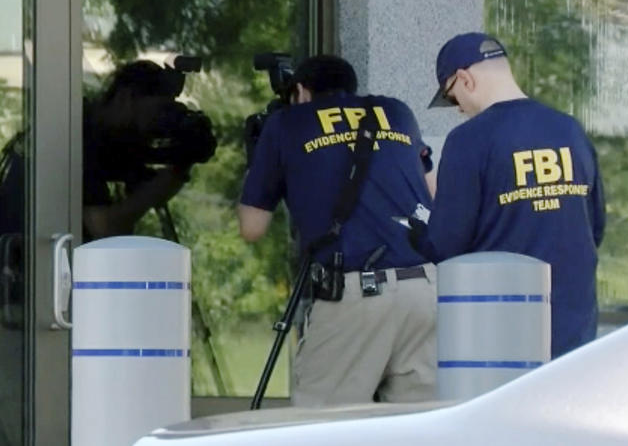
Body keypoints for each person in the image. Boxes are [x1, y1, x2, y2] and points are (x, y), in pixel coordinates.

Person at [238, 55, 437, 406]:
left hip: (357, 294)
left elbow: (252, 227)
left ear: (300, 91)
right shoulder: (396, 112)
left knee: (322, 427)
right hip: (424, 290)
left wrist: (259, 163)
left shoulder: (287, 124)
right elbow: (431, 192)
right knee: (418, 428)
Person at [411, 32, 606, 358]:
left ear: (464, 79)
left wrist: (415, 231)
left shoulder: (468, 140)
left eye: (452, 98)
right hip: (575, 327)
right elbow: (594, 226)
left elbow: (447, 244)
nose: (458, 110)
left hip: (503, 330)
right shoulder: (570, 130)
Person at [83, 59, 215, 241]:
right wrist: (173, 176)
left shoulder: (115, 144)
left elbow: (146, 195)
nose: (157, 126)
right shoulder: (80, 138)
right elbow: (104, 227)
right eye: (157, 112)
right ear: (126, 98)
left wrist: (180, 165)